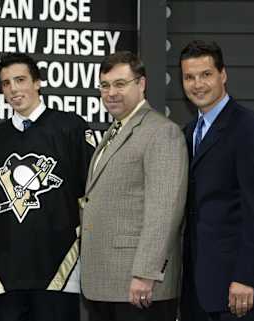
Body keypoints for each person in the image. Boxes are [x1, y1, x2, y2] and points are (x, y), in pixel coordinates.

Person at [0, 53, 95, 321]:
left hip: (59, 267)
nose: (13, 89)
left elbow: (91, 195)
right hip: (8, 271)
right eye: (6, 83)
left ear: (38, 82)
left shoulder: (71, 127)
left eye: (20, 80)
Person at [80, 51, 188, 321]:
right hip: (105, 285)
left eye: (120, 84)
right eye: (105, 86)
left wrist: (146, 273)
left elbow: (164, 210)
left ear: (141, 84)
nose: (111, 93)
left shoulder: (161, 132)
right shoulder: (114, 131)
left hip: (138, 287)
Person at [179, 40, 254, 321]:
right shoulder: (188, 133)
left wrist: (247, 277)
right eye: (189, 77)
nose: (197, 84)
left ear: (223, 75)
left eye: (206, 74)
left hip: (239, 294)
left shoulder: (250, 129)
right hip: (199, 293)